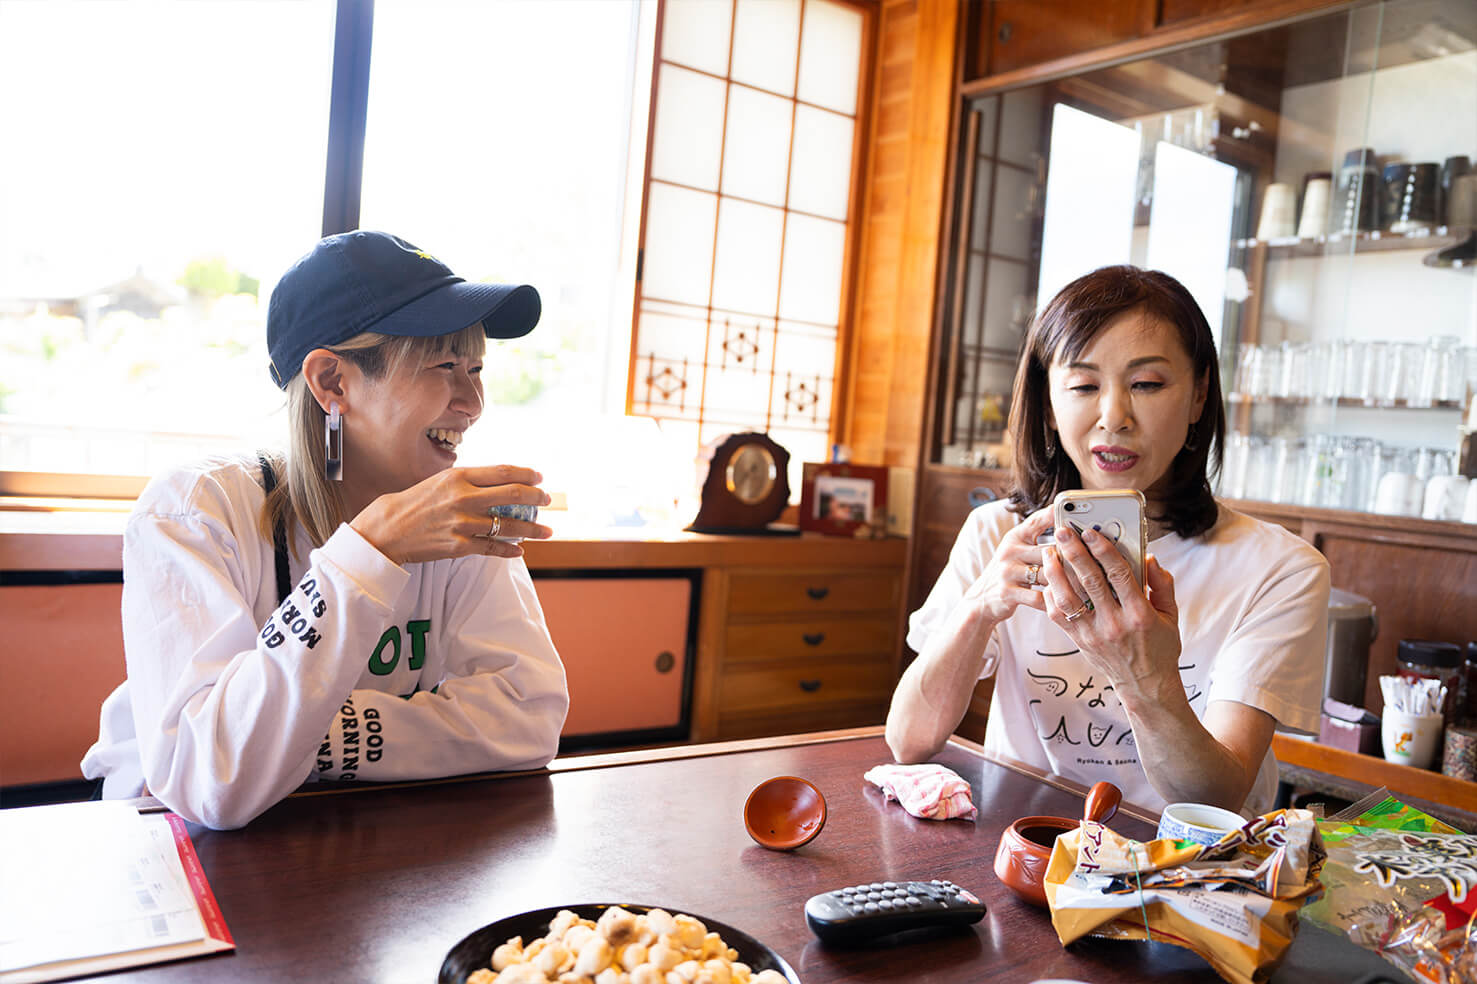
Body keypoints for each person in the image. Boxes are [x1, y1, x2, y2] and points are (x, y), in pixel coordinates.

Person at [82, 231, 570, 829]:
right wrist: (372, 550)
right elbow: (212, 779)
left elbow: (528, 718)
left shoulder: (458, 519)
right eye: (444, 366)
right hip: (166, 846)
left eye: (475, 368)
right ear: (332, 382)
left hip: (359, 839)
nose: (472, 402)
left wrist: (297, 736)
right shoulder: (195, 510)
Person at [886, 265, 1328, 816]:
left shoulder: (1280, 568)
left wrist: (1140, 671)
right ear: (1049, 405)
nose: (1114, 417)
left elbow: (1215, 797)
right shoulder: (1000, 534)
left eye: (1146, 384)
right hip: (1030, 849)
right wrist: (978, 610)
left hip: (1188, 876)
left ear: (1198, 396)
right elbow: (909, 741)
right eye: (1083, 386)